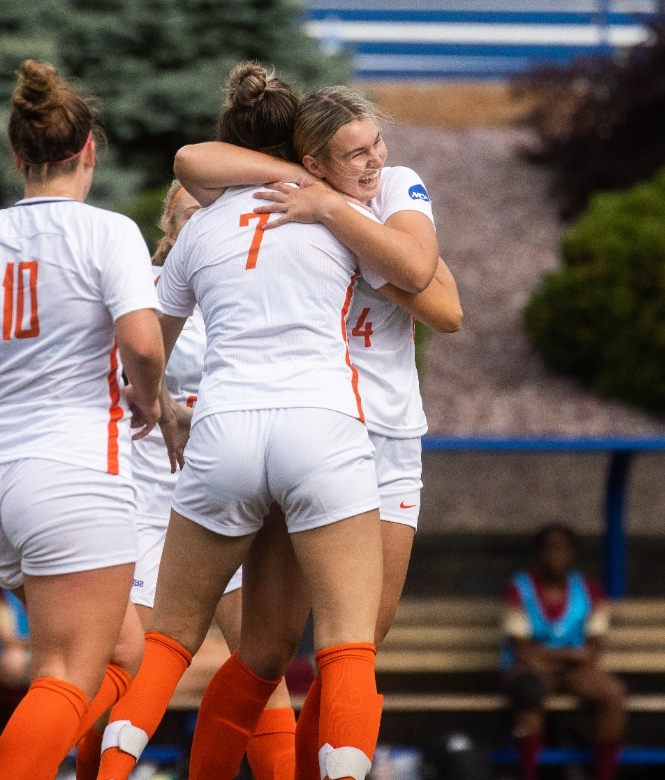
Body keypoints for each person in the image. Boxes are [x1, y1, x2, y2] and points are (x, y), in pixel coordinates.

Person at [96, 62, 392, 780]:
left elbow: (148, 354)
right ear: (301, 145)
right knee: (347, 647)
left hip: (223, 430)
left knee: (167, 645)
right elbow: (420, 276)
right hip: (319, 427)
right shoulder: (342, 211)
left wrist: (160, 410)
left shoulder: (198, 231)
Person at [173, 84, 462, 780]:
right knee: (268, 649)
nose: (372, 160)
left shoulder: (391, 189)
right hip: (317, 427)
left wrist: (345, 224)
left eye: (374, 146)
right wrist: (307, 194)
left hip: (389, 437)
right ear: (312, 158)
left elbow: (444, 304)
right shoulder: (282, 199)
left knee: (362, 639)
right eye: (352, 153)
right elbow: (190, 161)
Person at [0, 58, 165, 780]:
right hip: (76, 475)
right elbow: (141, 340)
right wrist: (150, 395)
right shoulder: (108, 233)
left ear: (18, 158)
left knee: (124, 654)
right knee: (67, 674)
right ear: (89, 152)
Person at [112, 181, 296, 780]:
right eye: (192, 214)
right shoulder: (140, 284)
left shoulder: (245, 284)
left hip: (222, 497)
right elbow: (123, 371)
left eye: (217, 215)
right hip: (148, 503)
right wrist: (163, 404)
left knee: (260, 667)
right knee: (128, 667)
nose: (205, 226)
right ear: (169, 224)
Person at [500, 524, 626, 780]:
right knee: (528, 693)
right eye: (547, 549)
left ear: (572, 553)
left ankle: (604, 774)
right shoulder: (519, 589)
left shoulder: (590, 591)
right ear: (537, 553)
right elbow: (522, 650)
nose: (554, 555)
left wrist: (550, 656)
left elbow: (591, 653)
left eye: (561, 549)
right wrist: (569, 654)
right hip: (528, 671)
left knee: (613, 695)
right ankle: (528, 773)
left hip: (574, 671)